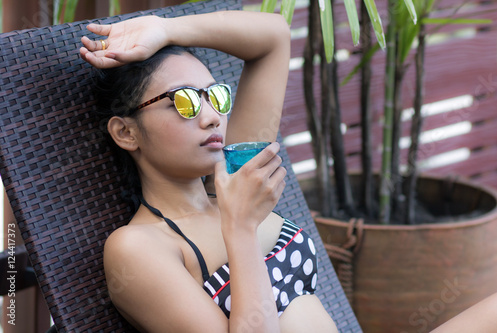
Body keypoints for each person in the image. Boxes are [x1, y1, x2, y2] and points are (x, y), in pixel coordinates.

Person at [80, 10, 338, 333]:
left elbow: (273, 36)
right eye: (185, 101)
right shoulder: (138, 247)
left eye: (216, 97)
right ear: (126, 133)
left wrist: (166, 29)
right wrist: (241, 228)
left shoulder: (232, 178)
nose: (212, 117)